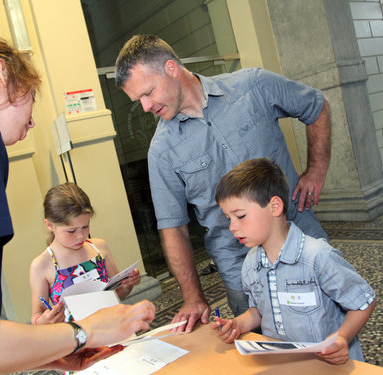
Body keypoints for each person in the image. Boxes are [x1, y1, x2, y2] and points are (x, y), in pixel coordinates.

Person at [0, 27, 155, 375]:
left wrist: (50, 350)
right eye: (32, 97)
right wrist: (87, 331)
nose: (33, 121)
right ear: (0, 72)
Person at [115, 34, 331, 332]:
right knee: (267, 350)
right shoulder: (162, 151)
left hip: (303, 240)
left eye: (148, 92)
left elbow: (317, 107)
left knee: (333, 333)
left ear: (171, 68)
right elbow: (173, 228)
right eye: (138, 99)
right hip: (242, 270)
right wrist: (193, 297)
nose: (145, 106)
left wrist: (316, 170)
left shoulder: (253, 86)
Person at [212, 158, 376, 364]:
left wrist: (342, 337)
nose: (232, 227)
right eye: (229, 219)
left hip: (330, 365)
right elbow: (259, 312)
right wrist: (238, 324)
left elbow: (364, 302)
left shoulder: (317, 256)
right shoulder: (251, 264)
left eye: (240, 216)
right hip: (286, 364)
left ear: (274, 207)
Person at [30, 182, 141, 325]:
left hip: (112, 327)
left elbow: (118, 294)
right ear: (50, 225)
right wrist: (45, 320)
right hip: (75, 339)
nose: (81, 236)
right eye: (71, 231)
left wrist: (128, 284)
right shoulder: (41, 264)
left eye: (85, 226)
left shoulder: (99, 248)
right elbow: (36, 316)